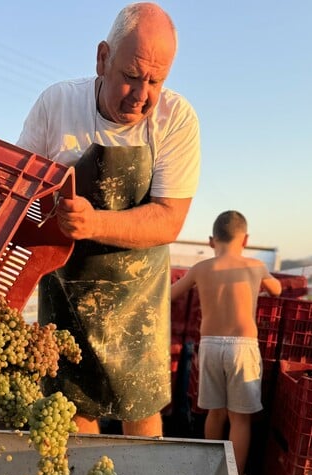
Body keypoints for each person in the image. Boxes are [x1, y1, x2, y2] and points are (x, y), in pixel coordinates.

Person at [16, 2, 200, 438]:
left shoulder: (176, 120)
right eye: (131, 77)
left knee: (140, 409)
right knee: (76, 408)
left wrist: (94, 223)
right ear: (102, 58)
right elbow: (21, 191)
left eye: (155, 81)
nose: (142, 95)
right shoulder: (57, 103)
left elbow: (168, 219)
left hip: (139, 299)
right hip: (66, 291)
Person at [170, 211, 282, 475]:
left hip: (209, 346)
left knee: (214, 412)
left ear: (211, 241)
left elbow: (170, 294)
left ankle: (211, 474)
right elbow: (277, 289)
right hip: (242, 347)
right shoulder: (255, 266)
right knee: (240, 419)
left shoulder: (200, 267)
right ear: (245, 240)